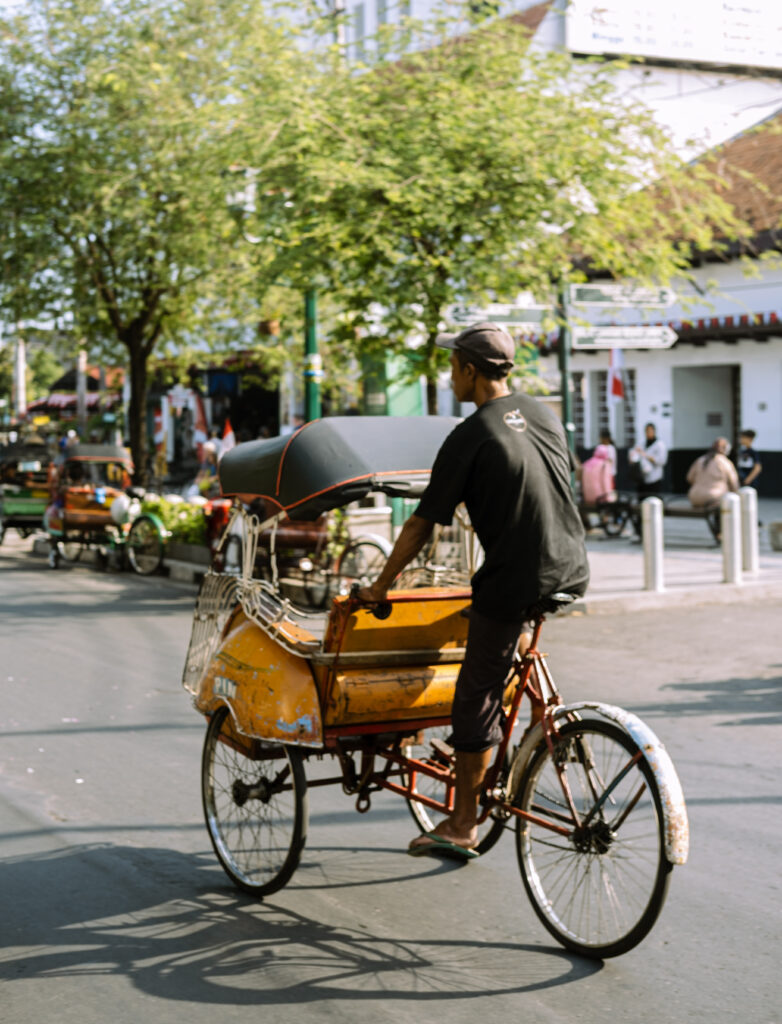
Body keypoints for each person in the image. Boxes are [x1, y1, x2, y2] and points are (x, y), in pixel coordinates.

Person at [358, 321, 589, 858]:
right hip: (570, 564)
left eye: (452, 366)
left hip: (515, 578)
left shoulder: (470, 435)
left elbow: (421, 524)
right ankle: (537, 724)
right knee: (504, 638)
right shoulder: (543, 414)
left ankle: (461, 823)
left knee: (475, 694)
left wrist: (379, 586)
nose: (450, 375)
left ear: (467, 369)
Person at [687, 438, 739, 510]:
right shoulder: (725, 462)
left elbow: (689, 478)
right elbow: (734, 483)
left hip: (695, 497)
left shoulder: (700, 460)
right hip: (714, 499)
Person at [628, 423, 667, 497]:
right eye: (646, 431)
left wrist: (646, 455)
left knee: (652, 499)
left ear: (654, 431)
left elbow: (662, 461)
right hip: (642, 477)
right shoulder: (642, 443)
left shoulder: (660, 445)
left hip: (654, 478)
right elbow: (634, 455)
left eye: (650, 431)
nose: (648, 433)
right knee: (642, 499)